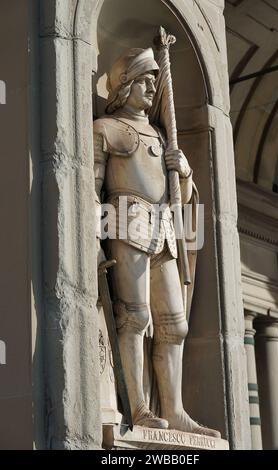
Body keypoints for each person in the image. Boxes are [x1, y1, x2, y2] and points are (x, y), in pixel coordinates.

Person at [94, 48, 220, 437]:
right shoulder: (106, 128)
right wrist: (95, 243)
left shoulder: (163, 135)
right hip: (125, 219)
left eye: (154, 79)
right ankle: (139, 407)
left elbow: (181, 197)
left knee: (175, 325)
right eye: (145, 80)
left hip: (163, 226)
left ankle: (175, 409)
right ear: (125, 84)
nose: (152, 87)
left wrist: (182, 172)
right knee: (134, 315)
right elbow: (89, 188)